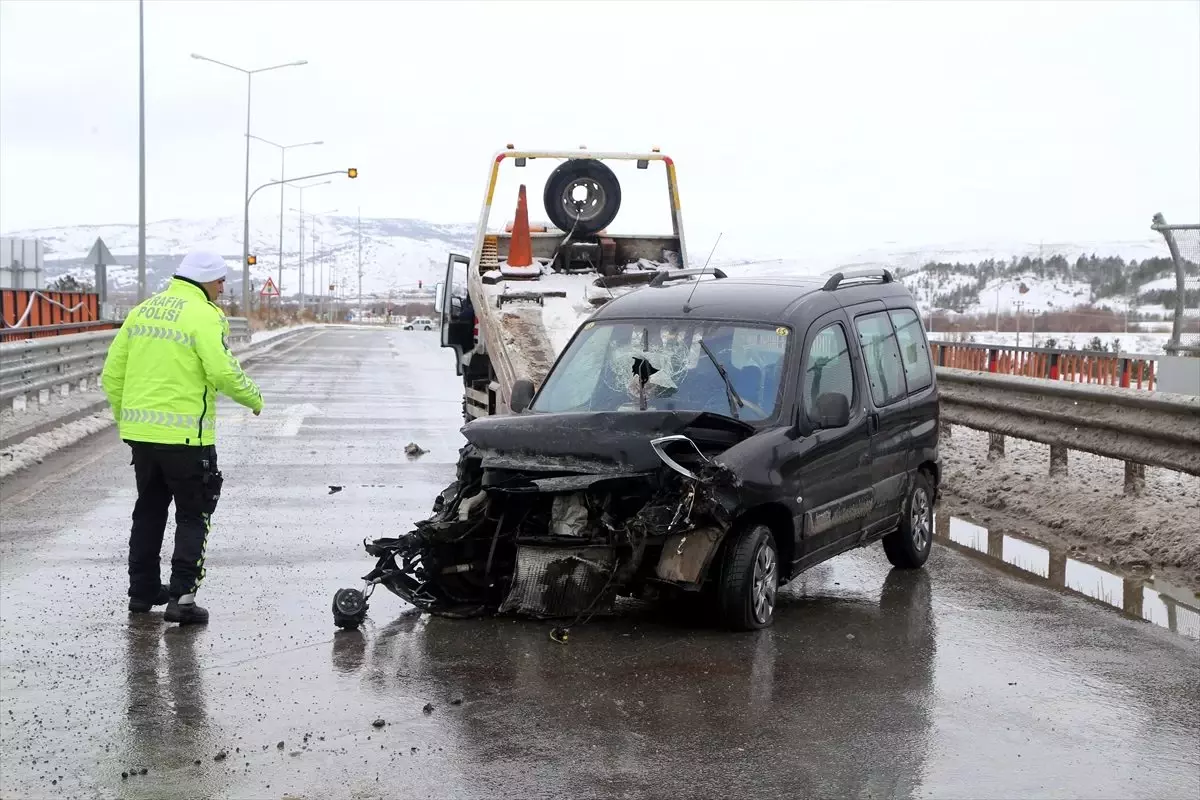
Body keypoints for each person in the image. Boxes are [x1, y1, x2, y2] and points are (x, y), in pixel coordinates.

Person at [101, 250, 264, 625]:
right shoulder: (205, 315)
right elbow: (222, 371)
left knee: (149, 511)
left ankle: (142, 594)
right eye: (221, 280)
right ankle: (182, 600)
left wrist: (126, 420)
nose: (223, 287)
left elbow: (112, 375)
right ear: (204, 279)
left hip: (142, 438)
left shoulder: (142, 311)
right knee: (194, 515)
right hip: (188, 440)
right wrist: (253, 398)